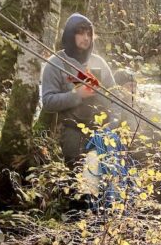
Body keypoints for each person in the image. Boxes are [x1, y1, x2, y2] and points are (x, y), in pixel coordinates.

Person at [41, 13, 115, 168]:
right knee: (76, 178)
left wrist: (114, 125)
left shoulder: (99, 62)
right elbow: (48, 102)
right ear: (70, 34)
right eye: (80, 33)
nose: (86, 38)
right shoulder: (56, 63)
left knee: (104, 176)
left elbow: (116, 96)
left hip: (102, 130)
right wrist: (77, 95)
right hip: (71, 132)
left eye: (89, 33)